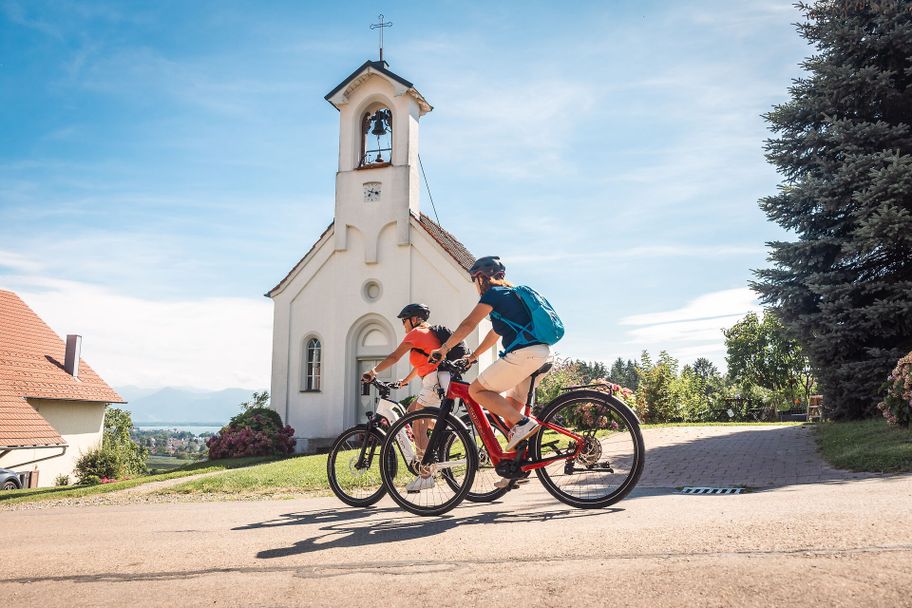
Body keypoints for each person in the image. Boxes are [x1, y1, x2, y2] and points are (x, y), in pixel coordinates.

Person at [429, 256, 552, 461]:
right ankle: (515, 468)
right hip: (542, 354)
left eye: (473, 280)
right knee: (509, 411)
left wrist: (444, 348)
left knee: (476, 390)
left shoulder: (493, 294)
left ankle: (524, 423)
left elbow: (469, 324)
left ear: (480, 278)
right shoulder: (513, 295)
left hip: (524, 355)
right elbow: (495, 333)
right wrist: (473, 356)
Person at [361, 303, 445, 492]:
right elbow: (422, 363)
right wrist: (405, 381)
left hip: (433, 381)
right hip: (434, 380)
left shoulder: (416, 334)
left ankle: (425, 475)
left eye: (404, 321)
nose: (403, 325)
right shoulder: (428, 333)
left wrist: (373, 371)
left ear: (414, 319)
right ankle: (449, 434)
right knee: (410, 413)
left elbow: (394, 357)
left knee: (417, 424)